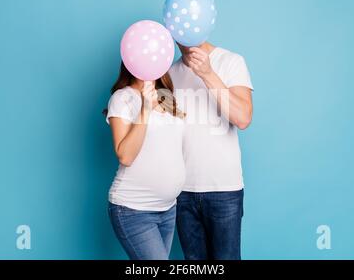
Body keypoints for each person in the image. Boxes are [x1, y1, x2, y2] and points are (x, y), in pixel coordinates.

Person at [169, 42, 254, 260]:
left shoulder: (231, 61)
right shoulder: (167, 74)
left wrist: (208, 74)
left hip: (223, 190)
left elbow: (243, 118)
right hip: (181, 192)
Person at [105, 62, 186, 260]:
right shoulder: (122, 98)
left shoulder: (167, 98)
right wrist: (145, 110)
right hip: (133, 210)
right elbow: (125, 156)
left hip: (168, 209)